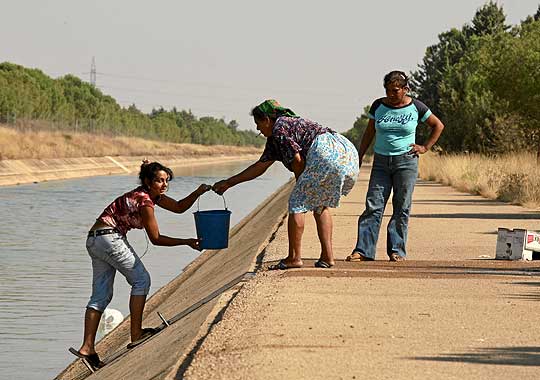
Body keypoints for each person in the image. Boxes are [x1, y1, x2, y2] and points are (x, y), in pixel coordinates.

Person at [70, 161, 211, 369]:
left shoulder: (151, 196)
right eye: (159, 181)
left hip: (94, 239)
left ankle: (87, 347)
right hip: (109, 238)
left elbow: (179, 207)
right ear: (148, 182)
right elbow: (155, 238)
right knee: (142, 280)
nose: (164, 185)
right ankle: (136, 334)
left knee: (101, 295)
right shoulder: (145, 202)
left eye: (166, 181)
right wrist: (187, 241)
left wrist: (198, 192)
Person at [213, 99, 359, 270]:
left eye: (258, 124)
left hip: (325, 152)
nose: (258, 129)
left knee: (296, 203)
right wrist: (229, 183)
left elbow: (297, 160)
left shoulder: (279, 128)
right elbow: (260, 167)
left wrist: (300, 182)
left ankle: (294, 258)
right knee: (321, 205)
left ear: (267, 119)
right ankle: (327, 257)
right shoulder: (283, 131)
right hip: (346, 152)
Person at [347, 70, 444, 263]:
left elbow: (438, 125)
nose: (391, 94)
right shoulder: (378, 106)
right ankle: (363, 250)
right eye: (388, 90)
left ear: (405, 89)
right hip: (381, 162)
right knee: (373, 205)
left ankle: (396, 250)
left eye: (395, 90)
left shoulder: (416, 106)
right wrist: (359, 154)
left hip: (406, 162)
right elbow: (369, 132)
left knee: (401, 206)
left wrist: (424, 147)